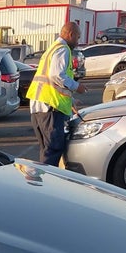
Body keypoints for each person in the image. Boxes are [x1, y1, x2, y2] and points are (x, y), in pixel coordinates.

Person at [26, 22, 87, 166]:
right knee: (53, 149)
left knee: (47, 150)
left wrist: (71, 101)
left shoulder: (53, 48)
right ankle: (47, 185)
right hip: (50, 108)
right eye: (77, 38)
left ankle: (43, 183)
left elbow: (53, 82)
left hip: (42, 105)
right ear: (70, 34)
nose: (77, 42)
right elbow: (57, 76)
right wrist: (77, 86)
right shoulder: (63, 49)